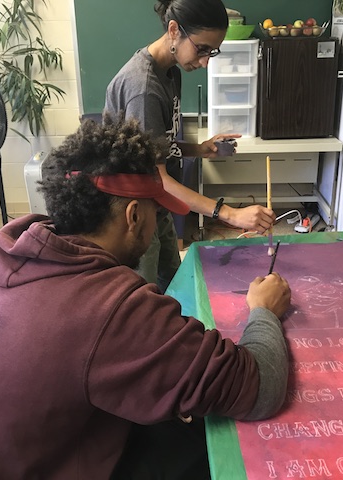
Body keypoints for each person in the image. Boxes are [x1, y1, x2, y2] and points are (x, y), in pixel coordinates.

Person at [0, 115, 292, 480]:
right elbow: (261, 387)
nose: (157, 222)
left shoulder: (15, 252)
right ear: (132, 216)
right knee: (204, 438)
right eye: (155, 211)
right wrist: (263, 312)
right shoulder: (112, 306)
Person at [105, 0, 275, 292]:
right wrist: (231, 214)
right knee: (141, 299)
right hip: (131, 213)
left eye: (213, 51)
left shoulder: (170, 72)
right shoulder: (144, 88)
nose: (207, 60)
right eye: (202, 48)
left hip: (156, 203)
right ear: (174, 31)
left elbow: (159, 143)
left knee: (175, 284)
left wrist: (201, 149)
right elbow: (158, 178)